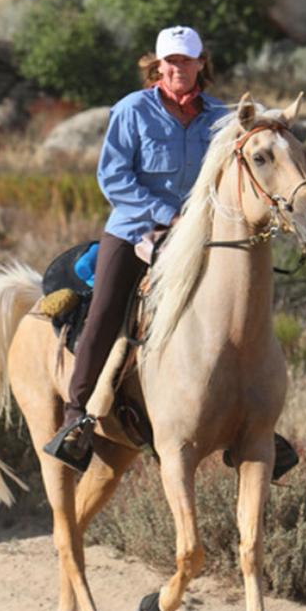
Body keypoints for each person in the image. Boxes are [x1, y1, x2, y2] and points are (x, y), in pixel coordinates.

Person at [46, 26, 226, 470]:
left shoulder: (220, 117)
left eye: (186, 60)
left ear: (202, 62)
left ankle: (252, 416)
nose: (178, 68)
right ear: (157, 64)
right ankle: (77, 419)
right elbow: (113, 178)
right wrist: (168, 216)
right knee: (106, 311)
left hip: (201, 235)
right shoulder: (132, 110)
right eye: (171, 61)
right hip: (133, 230)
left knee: (241, 306)